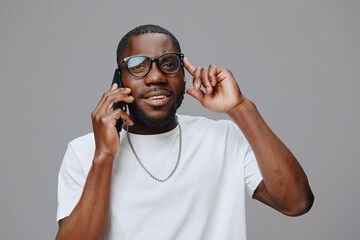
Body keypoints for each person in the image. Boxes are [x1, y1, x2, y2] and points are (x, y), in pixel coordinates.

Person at [56, 24, 314, 240]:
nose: (156, 77)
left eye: (169, 64)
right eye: (138, 65)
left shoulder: (224, 139)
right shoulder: (84, 152)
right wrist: (104, 156)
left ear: (183, 76)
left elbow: (297, 203)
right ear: (119, 80)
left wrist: (240, 107)